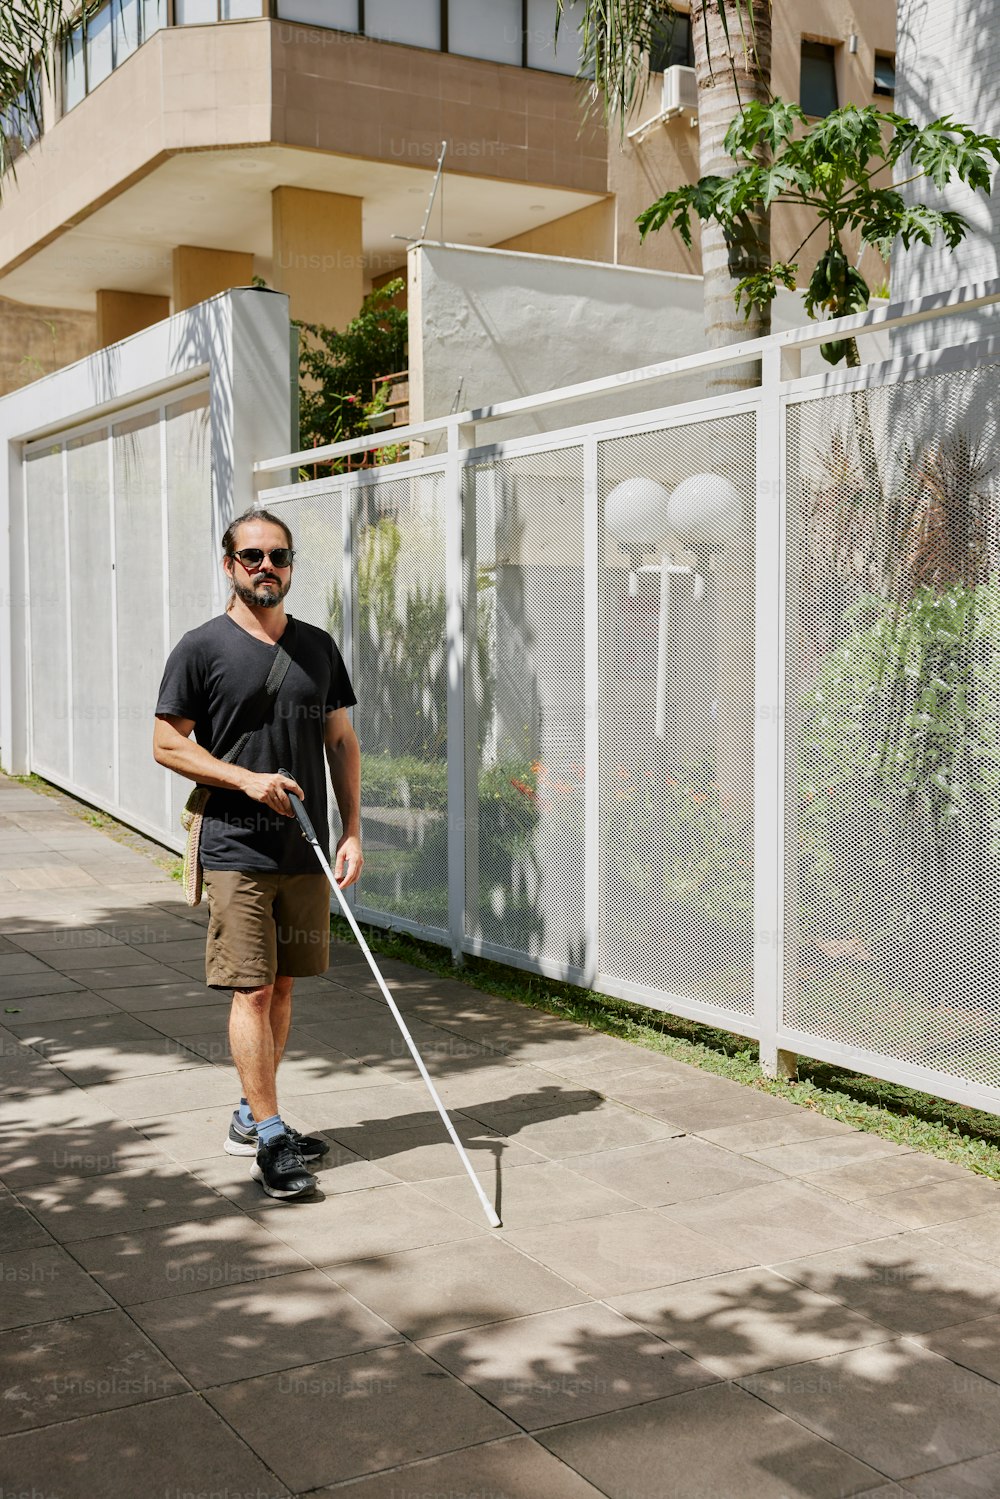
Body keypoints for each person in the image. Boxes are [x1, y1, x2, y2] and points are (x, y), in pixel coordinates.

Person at [153, 506, 363, 1201]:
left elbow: (339, 741)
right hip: (236, 845)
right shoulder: (201, 648)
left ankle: (251, 1114)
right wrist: (245, 779)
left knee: (284, 987)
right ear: (229, 565)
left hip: (303, 847)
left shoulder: (318, 648)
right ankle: (270, 1138)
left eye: (278, 556)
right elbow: (167, 741)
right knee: (254, 986)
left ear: (291, 565)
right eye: (252, 556)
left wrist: (353, 827)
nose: (266, 566)